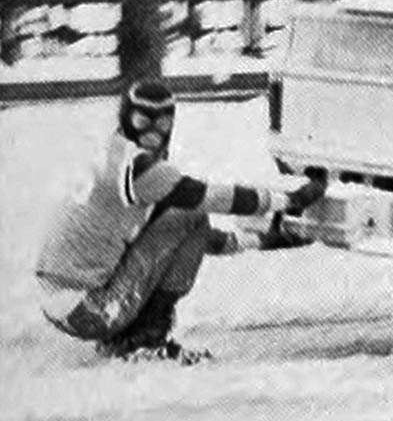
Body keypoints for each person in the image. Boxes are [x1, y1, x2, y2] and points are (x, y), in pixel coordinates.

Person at [34, 78, 327, 363]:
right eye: (142, 120)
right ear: (126, 117)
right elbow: (203, 197)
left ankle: (127, 335)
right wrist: (287, 201)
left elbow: (183, 236)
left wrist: (260, 241)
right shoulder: (139, 168)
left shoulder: (114, 153)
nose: (151, 132)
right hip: (90, 309)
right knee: (191, 211)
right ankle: (145, 340)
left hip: (60, 301)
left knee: (184, 218)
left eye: (161, 123)